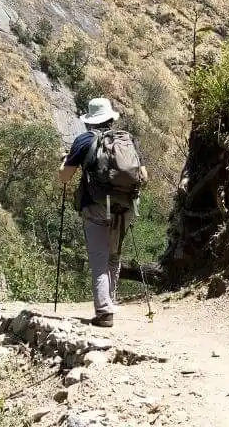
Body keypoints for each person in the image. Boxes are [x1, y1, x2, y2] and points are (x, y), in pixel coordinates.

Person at [58, 97, 148, 327]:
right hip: (125, 208)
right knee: (114, 256)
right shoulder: (127, 140)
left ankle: (105, 312)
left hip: (96, 206)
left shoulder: (84, 141)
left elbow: (64, 177)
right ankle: (110, 299)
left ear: (90, 122)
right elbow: (144, 177)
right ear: (110, 118)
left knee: (99, 259)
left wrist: (64, 162)